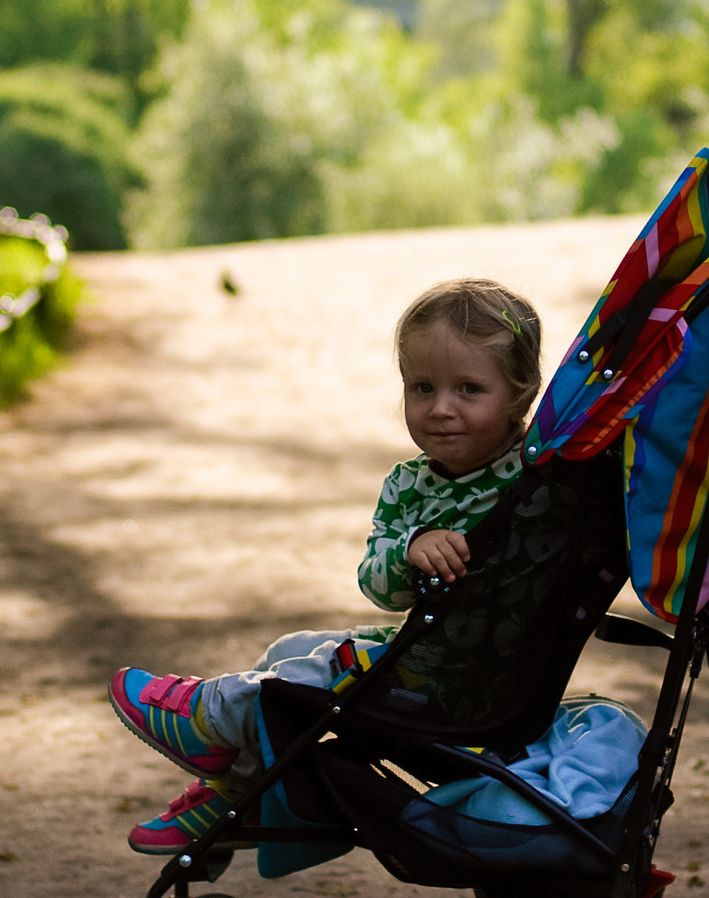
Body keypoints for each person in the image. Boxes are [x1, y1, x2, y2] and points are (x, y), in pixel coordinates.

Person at [107, 278, 541, 852]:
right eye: (421, 387)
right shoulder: (409, 484)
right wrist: (409, 549)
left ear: (519, 395)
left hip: (461, 681)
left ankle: (210, 716)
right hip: (426, 653)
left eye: (469, 389)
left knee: (322, 672)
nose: (440, 409)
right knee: (292, 650)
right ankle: (238, 787)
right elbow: (377, 582)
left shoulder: (533, 480)